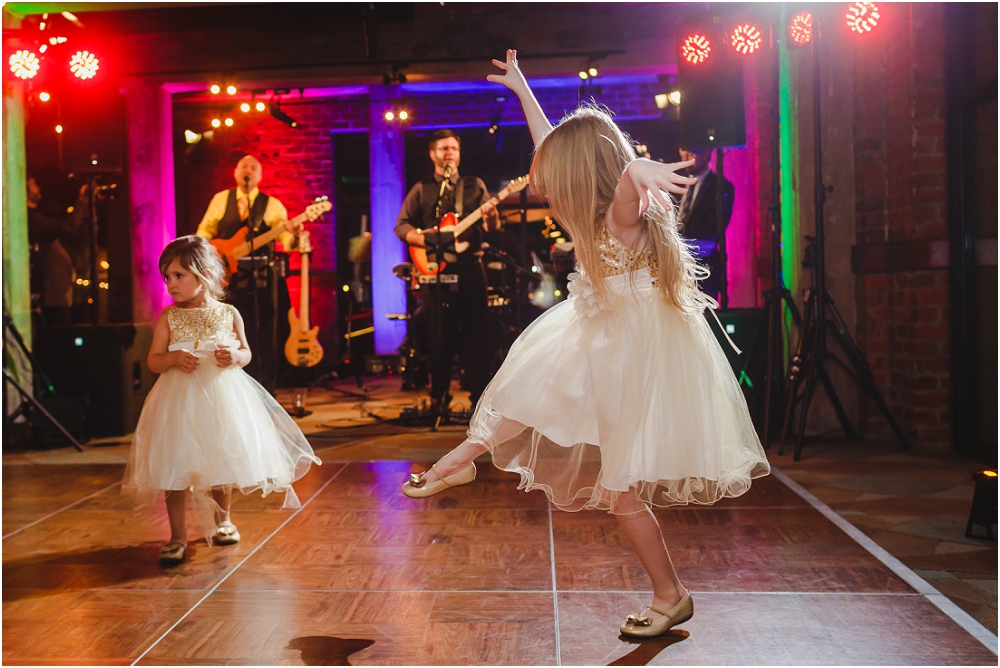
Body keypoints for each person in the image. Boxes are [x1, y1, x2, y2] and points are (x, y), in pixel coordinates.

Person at [401, 50, 769, 638]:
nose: (539, 172)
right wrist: (524, 93)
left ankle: (670, 596)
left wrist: (638, 168)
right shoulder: (587, 204)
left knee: (620, 491)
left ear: (582, 170)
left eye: (552, 167)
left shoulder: (623, 209)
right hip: (600, 332)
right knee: (526, 391)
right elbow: (560, 148)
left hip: (634, 348)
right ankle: (458, 462)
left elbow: (622, 181)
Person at [122, 235, 320, 564]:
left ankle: (223, 520)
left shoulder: (228, 313)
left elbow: (246, 352)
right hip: (179, 401)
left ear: (204, 274)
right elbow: (154, 360)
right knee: (176, 463)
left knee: (222, 457)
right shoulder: (168, 317)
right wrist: (172, 360)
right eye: (167, 277)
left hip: (221, 397)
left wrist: (234, 357)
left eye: (178, 276)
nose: (171, 284)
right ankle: (177, 536)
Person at [395, 130, 502, 412]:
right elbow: (402, 226)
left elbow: (492, 229)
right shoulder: (423, 188)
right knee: (438, 337)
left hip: (469, 269)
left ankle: (478, 400)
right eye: (443, 148)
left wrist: (491, 217)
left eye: (454, 148)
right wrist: (427, 240)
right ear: (433, 154)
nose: (449, 153)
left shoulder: (473, 185)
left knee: (476, 337)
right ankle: (438, 397)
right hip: (436, 273)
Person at [196, 155, 302, 391]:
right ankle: (230, 387)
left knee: (264, 331)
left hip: (261, 276)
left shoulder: (271, 204)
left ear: (260, 176)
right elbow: (204, 231)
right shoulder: (221, 199)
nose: (248, 170)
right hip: (226, 276)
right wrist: (210, 254)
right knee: (227, 330)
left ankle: (265, 389)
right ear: (235, 173)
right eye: (244, 166)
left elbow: (284, 236)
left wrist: (292, 236)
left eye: (254, 167)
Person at [26, 176, 89, 327]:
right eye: (34, 185)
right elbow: (66, 227)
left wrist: (88, 206)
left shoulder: (39, 216)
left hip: (56, 298)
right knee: (56, 343)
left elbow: (70, 228)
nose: (39, 188)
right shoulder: (31, 219)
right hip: (51, 299)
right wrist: (82, 201)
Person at [675, 145, 734, 302]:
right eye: (683, 155)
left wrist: (681, 243)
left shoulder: (720, 187)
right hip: (675, 268)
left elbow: (713, 230)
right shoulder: (676, 184)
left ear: (707, 152)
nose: (686, 159)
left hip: (702, 268)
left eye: (691, 153)